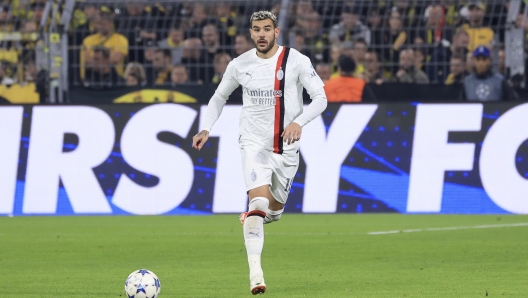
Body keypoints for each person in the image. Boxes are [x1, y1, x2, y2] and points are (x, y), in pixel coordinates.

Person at [191, 11, 327, 295]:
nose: (262, 34)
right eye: (256, 29)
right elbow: (219, 96)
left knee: (273, 212)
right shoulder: (240, 64)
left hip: (286, 150)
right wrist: (206, 128)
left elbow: (321, 99)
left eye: (267, 29)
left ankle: (254, 215)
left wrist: (298, 122)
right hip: (253, 145)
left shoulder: (297, 61)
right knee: (259, 203)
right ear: (251, 34)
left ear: (276, 32)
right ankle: (256, 274)